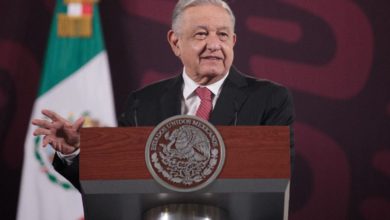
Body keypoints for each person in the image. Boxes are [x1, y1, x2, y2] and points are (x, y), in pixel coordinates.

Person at [32, 0, 295, 191]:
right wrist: (75, 152)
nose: (214, 44)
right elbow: (112, 183)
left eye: (223, 35)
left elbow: (274, 179)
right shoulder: (142, 103)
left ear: (233, 42)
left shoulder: (269, 99)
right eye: (201, 34)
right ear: (175, 42)